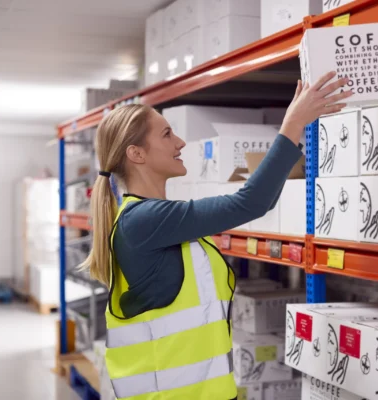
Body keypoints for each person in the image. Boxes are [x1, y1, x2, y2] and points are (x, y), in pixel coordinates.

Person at [82, 71, 351, 400]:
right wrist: (293, 125)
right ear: (137, 154)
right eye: (167, 135)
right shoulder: (143, 221)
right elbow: (251, 202)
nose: (180, 142)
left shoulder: (154, 221)